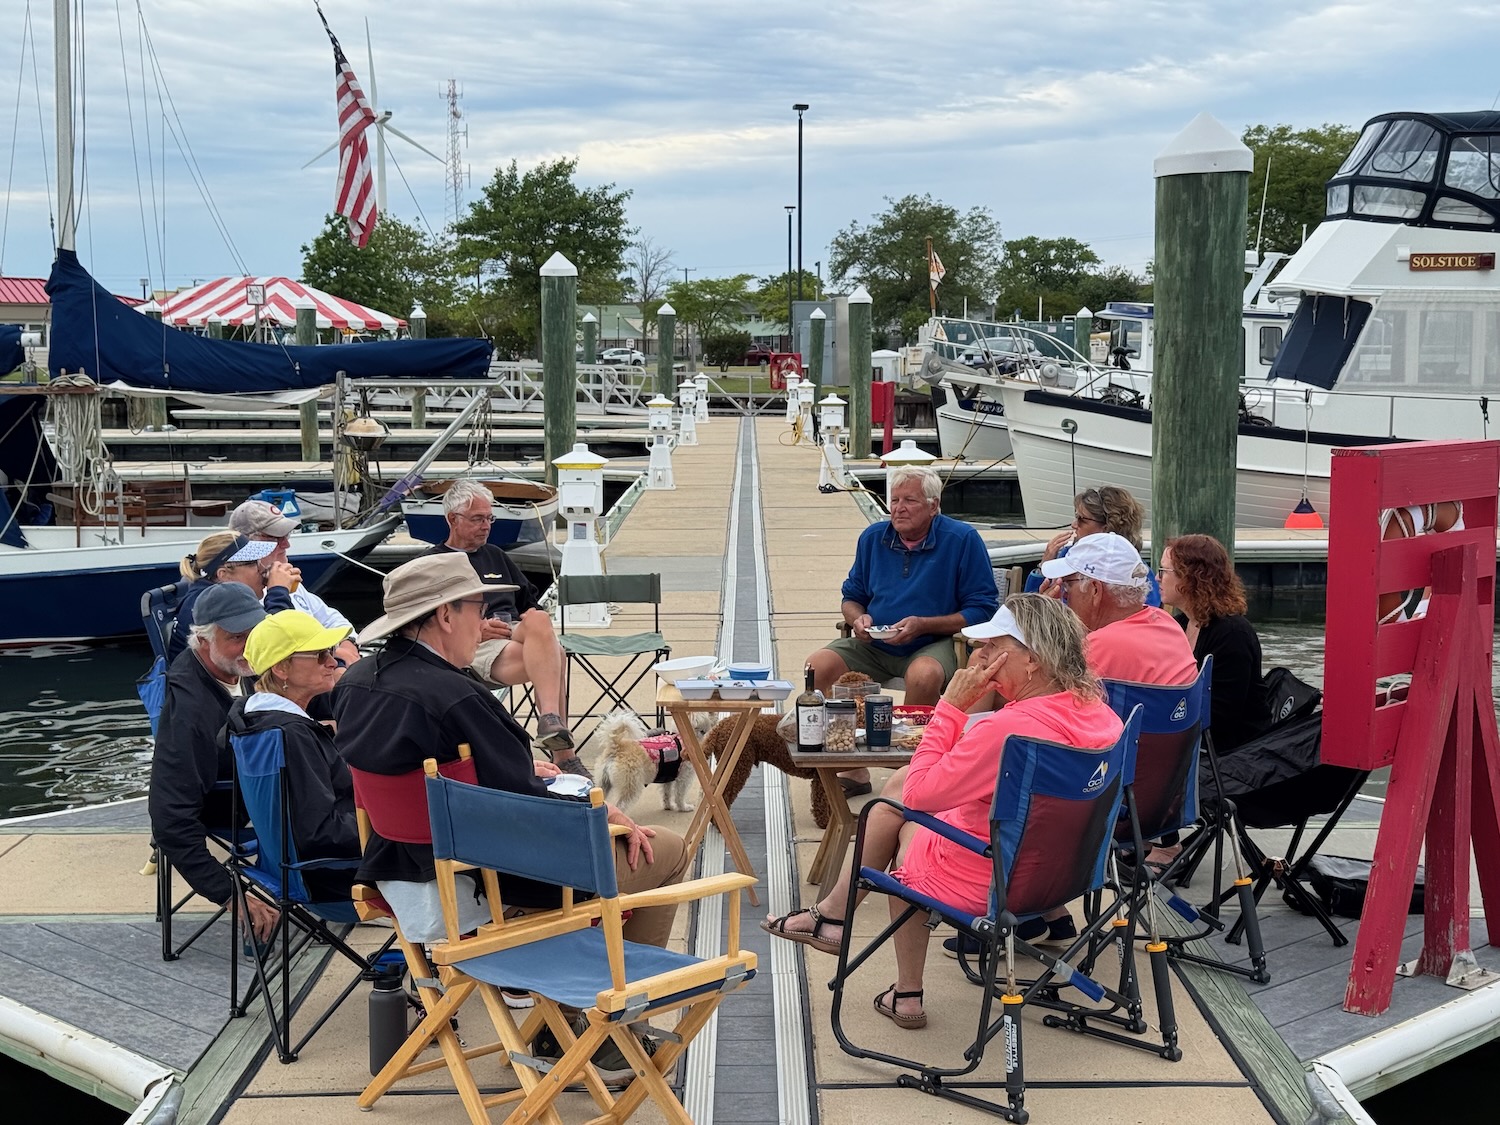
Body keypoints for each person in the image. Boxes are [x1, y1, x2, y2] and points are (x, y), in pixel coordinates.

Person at [762, 595, 1123, 1030]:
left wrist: (949, 708)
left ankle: (902, 988)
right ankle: (834, 917)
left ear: (1032, 660)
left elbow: (920, 795)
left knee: (896, 810)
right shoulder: (1102, 716)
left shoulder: (1007, 730)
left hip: (995, 881)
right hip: (1066, 873)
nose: (979, 654)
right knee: (899, 789)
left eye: (992, 645)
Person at [332, 553, 687, 949]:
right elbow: (526, 808)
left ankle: (580, 970)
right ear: (447, 616)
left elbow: (427, 772)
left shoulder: (353, 683)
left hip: (400, 873)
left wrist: (511, 766)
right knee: (669, 850)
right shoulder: (457, 698)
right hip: (492, 879)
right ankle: (617, 985)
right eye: (479, 609)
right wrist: (601, 810)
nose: (484, 624)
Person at [806, 465, 999, 792]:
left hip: (934, 641)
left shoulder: (962, 540)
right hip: (874, 643)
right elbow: (851, 597)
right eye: (894, 500)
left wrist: (923, 625)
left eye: (910, 500)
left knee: (923, 675)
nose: (899, 508)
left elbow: (982, 609)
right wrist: (858, 619)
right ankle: (851, 768)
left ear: (934, 506)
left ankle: (913, 772)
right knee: (817, 666)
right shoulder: (873, 538)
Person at [148, 582, 278, 943]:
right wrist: (230, 894)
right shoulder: (189, 713)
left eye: (255, 633)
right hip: (233, 804)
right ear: (203, 640)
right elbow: (169, 820)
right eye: (237, 637)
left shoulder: (237, 667)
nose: (250, 645)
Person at [425, 479, 580, 769]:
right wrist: (476, 629)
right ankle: (564, 754)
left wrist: (525, 623)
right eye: (478, 519)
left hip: (511, 632)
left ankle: (550, 720)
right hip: (473, 645)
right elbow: (426, 623)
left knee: (539, 618)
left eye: (489, 518)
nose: (486, 526)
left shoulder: (495, 555)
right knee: (555, 654)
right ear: (452, 519)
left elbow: (529, 604)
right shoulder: (432, 564)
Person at [225, 610, 360, 903]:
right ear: (281, 668)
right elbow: (320, 832)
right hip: (334, 878)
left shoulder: (254, 722)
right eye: (319, 654)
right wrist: (384, 824)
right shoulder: (293, 735)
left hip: (286, 871)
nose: (332, 662)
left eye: (331, 651)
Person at [1157, 534, 1272, 753]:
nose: (1157, 578)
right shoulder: (1179, 624)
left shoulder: (1232, 633)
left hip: (1235, 753)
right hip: (1194, 742)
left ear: (1190, 578)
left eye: (1164, 571)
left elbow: (1222, 713)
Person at [1041, 533, 1197, 687]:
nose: (1063, 593)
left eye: (1067, 584)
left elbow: (1040, 690)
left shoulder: (1100, 647)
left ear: (1095, 590)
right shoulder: (1166, 622)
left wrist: (1045, 622)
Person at [229, 500, 360, 667]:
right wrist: (338, 660)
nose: (286, 544)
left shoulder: (288, 581)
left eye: (287, 536)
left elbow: (331, 618)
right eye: (275, 538)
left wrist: (348, 643)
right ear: (247, 542)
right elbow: (275, 642)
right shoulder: (239, 593)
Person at [1026, 485, 1162, 607]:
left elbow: (1145, 611)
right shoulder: (1068, 555)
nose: (1074, 525)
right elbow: (1026, 608)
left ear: (1106, 527)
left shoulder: (1133, 570)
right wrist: (1044, 566)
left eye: (1081, 519)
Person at [167, 532, 295, 662]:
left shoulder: (209, 594)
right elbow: (273, 642)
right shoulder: (213, 603)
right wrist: (278, 591)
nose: (262, 569)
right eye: (252, 563)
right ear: (223, 574)